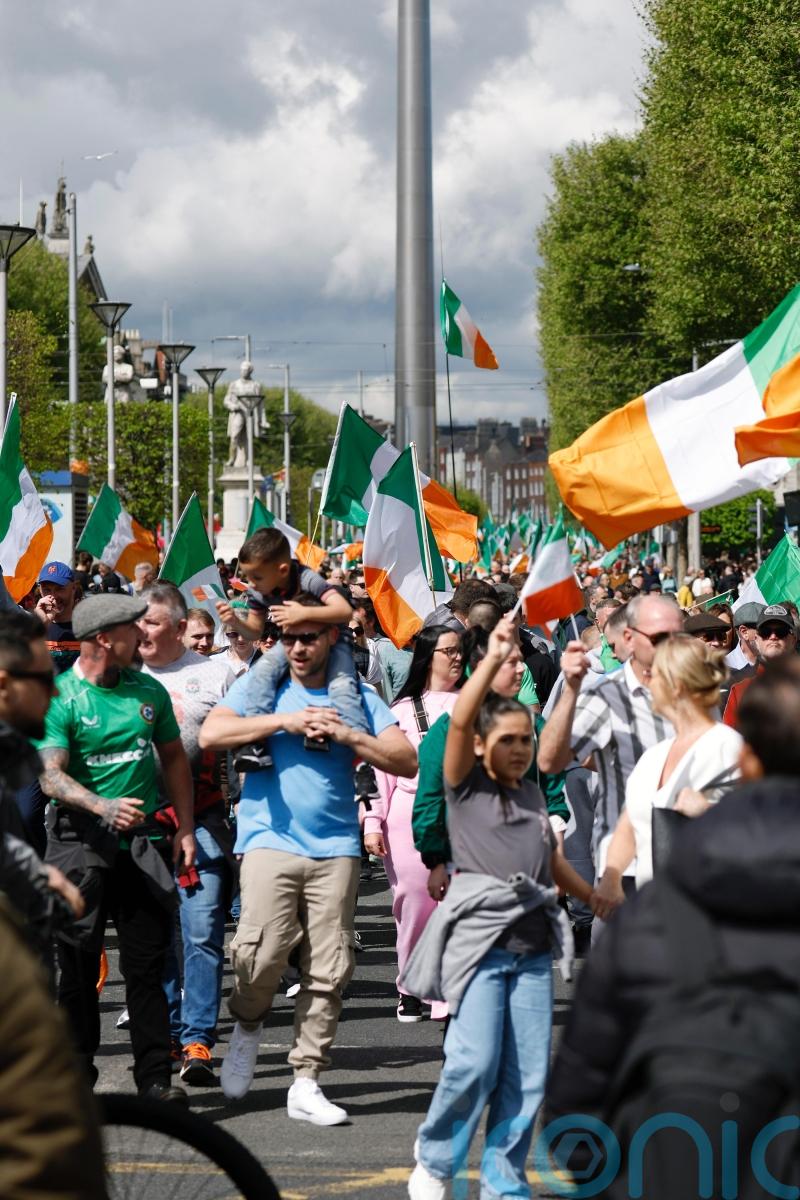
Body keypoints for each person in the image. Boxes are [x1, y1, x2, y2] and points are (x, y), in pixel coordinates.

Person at [544, 664, 800, 1200]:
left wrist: (633, 1179)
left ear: (747, 758)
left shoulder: (655, 917)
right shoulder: (656, 909)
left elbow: (574, 1112)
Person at [199, 593, 417, 1123]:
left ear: (329, 640)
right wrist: (283, 724)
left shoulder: (356, 695)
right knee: (260, 953)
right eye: (291, 637)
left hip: (335, 847)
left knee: (330, 964)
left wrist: (347, 734)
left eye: (310, 636)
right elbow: (212, 734)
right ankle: (248, 1025)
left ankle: (306, 1078)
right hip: (269, 840)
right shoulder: (264, 687)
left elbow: (406, 759)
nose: (299, 645)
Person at [403, 617, 597, 1200]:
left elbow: (551, 857)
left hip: (532, 946)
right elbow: (460, 719)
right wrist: (493, 655)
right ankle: (436, 1158)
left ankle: (503, 1181)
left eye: (524, 741)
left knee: (527, 1074)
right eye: (507, 741)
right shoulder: (464, 779)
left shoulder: (532, 790)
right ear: (482, 745)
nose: (519, 749)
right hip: (482, 945)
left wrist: (596, 897)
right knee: (473, 1061)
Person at [37, 594, 196, 1102]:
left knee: (146, 966)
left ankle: (154, 1080)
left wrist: (186, 829)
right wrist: (101, 805)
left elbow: (174, 759)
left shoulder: (147, 691)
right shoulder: (61, 696)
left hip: (141, 843)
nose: (143, 635)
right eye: (134, 628)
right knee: (79, 966)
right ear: (105, 638)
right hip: (76, 843)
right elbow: (50, 776)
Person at [138, 582, 235, 1086]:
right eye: (137, 622)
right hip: (143, 831)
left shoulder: (218, 674)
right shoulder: (122, 676)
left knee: (201, 932)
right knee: (158, 940)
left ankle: (198, 1039)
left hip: (207, 822)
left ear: (179, 628)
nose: (140, 631)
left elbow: (249, 739)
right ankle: (172, 1032)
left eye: (150, 622)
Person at [538, 594, 684, 891]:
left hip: (684, 864)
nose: (671, 645)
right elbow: (549, 760)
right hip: (625, 869)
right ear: (629, 638)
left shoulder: (694, 692)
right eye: (659, 637)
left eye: (678, 636)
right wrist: (571, 689)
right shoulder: (606, 694)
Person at [595, 635, 741, 904]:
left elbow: (754, 836)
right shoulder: (654, 755)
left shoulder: (727, 748)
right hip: (653, 915)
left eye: (655, 673)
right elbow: (628, 823)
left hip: (709, 916)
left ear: (678, 686)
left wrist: (708, 814)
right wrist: (612, 877)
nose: (646, 680)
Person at [367, 626, 464, 1022]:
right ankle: (409, 984)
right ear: (428, 657)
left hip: (464, 817)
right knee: (413, 902)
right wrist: (372, 820)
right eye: (449, 652)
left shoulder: (477, 704)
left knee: (457, 903)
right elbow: (380, 774)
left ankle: (448, 988)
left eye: (461, 651)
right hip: (407, 820)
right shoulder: (401, 711)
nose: (457, 658)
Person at [216, 528, 362, 771]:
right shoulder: (257, 591)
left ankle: (360, 761)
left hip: (332, 642)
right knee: (261, 674)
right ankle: (257, 743)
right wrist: (235, 622)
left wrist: (302, 612)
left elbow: (344, 611)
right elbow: (254, 630)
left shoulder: (307, 580)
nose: (250, 584)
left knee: (343, 688)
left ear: (281, 570)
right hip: (292, 642)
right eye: (248, 577)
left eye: (256, 578)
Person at [723, 603, 798, 728]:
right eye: (766, 632)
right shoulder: (740, 690)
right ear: (757, 639)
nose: (773, 637)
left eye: (781, 631)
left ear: (793, 639)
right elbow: (731, 742)